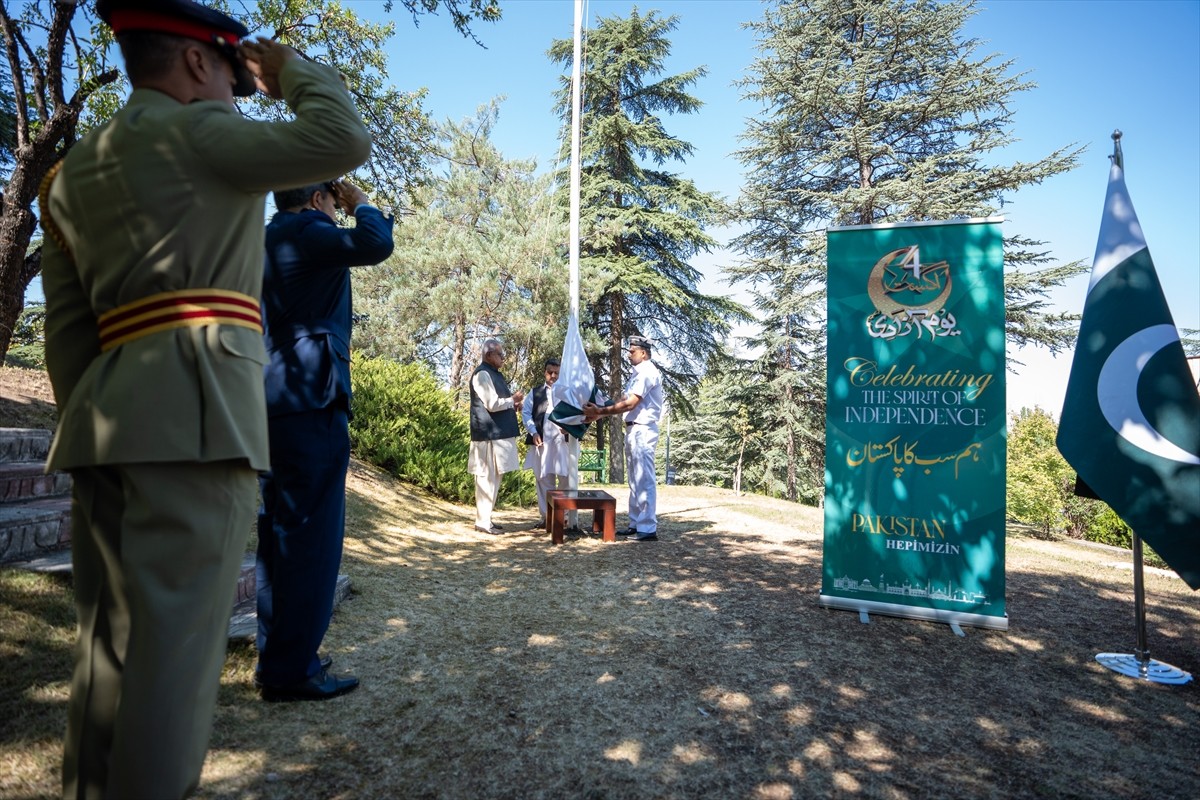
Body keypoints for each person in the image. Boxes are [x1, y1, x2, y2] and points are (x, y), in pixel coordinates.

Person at [37, 0, 372, 796]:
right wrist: (286, 68)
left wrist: (93, 415)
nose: (234, 90)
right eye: (232, 75)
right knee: (172, 665)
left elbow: (69, 329)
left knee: (106, 656)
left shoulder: (74, 172)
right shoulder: (199, 132)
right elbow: (341, 139)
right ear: (196, 62)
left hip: (106, 421)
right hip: (197, 420)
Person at [254, 178, 393, 701]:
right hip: (312, 399)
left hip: (272, 398)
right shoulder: (308, 229)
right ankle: (293, 671)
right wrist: (363, 203)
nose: (339, 210)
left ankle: (279, 660)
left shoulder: (266, 238)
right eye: (334, 202)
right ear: (318, 200)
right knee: (311, 541)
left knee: (278, 538)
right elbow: (375, 243)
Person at [583, 336, 664, 541]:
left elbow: (630, 404)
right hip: (633, 430)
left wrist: (601, 410)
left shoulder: (647, 373)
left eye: (632, 351)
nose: (628, 354)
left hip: (643, 429)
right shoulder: (637, 375)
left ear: (644, 353)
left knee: (644, 478)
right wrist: (599, 413)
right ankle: (636, 523)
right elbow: (621, 400)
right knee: (635, 479)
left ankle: (647, 528)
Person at [469, 339, 525, 534]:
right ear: (488, 355)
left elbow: (499, 404)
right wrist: (512, 400)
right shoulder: (482, 374)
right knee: (486, 478)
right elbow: (492, 404)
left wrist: (513, 405)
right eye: (500, 354)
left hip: (498, 435)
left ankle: (487, 519)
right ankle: (483, 522)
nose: (503, 358)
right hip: (488, 435)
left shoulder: (494, 375)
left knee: (495, 477)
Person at [522, 357, 570, 524]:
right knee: (543, 478)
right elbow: (526, 413)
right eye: (550, 372)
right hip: (542, 440)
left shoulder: (567, 392)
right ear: (545, 372)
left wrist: (569, 428)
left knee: (565, 476)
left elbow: (575, 414)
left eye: (556, 373)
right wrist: (533, 432)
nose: (553, 376)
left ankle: (563, 516)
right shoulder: (535, 393)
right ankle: (547, 518)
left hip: (563, 441)